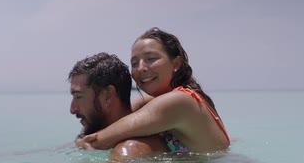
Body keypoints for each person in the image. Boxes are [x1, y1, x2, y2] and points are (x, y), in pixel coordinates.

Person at [0, 52, 168, 163]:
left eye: (79, 96)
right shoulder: (104, 136)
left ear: (108, 95)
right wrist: (20, 155)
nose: (72, 109)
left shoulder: (131, 146)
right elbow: (78, 146)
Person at [79, 27, 230, 153]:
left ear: (176, 63)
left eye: (151, 59)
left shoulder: (179, 101)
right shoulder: (158, 100)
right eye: (134, 63)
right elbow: (120, 116)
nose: (141, 68)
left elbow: (100, 140)